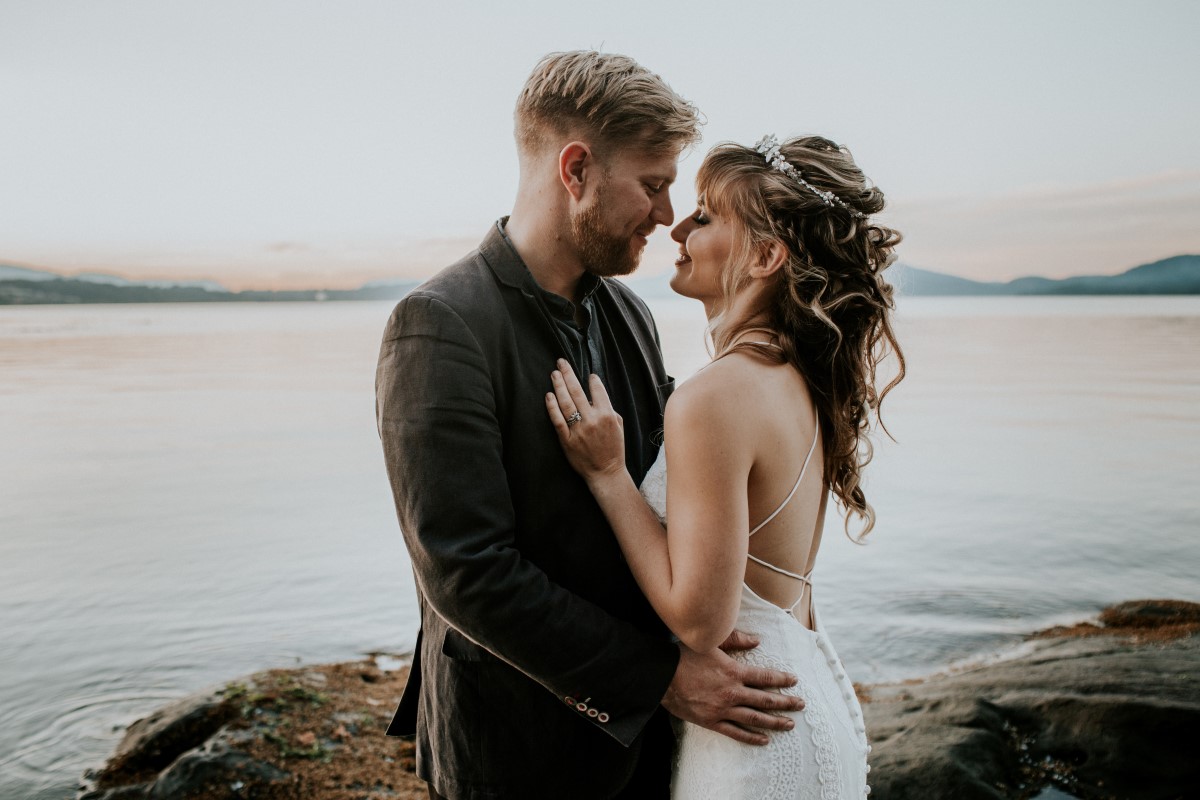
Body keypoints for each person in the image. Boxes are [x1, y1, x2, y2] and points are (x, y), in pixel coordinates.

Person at [376, 53, 806, 800]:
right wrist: (662, 679)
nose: (668, 216)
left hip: (649, 755)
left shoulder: (631, 314)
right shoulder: (439, 325)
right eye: (653, 185)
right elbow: (465, 571)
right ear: (576, 170)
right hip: (516, 754)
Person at [546, 134, 904, 799]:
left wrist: (608, 476)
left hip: (752, 738)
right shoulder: (800, 381)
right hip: (803, 698)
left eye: (706, 215)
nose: (677, 224)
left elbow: (700, 621)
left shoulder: (713, 397)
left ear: (766, 256)